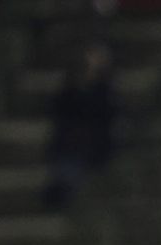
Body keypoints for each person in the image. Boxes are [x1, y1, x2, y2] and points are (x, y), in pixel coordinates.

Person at [42, 41, 118, 209]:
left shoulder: (104, 91)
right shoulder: (70, 86)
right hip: (69, 143)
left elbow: (105, 116)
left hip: (92, 145)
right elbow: (60, 109)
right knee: (66, 169)